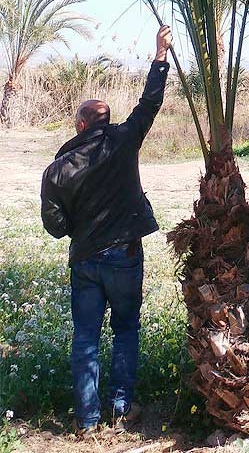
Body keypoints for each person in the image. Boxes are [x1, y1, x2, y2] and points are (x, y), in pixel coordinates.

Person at [40, 25, 173, 437]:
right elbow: (148, 104)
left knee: (85, 338)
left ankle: (87, 419)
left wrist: (81, 225)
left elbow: (56, 227)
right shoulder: (123, 140)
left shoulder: (57, 170)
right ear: (105, 122)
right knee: (126, 329)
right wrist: (159, 57)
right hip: (125, 257)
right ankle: (121, 407)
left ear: (80, 125)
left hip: (85, 262)